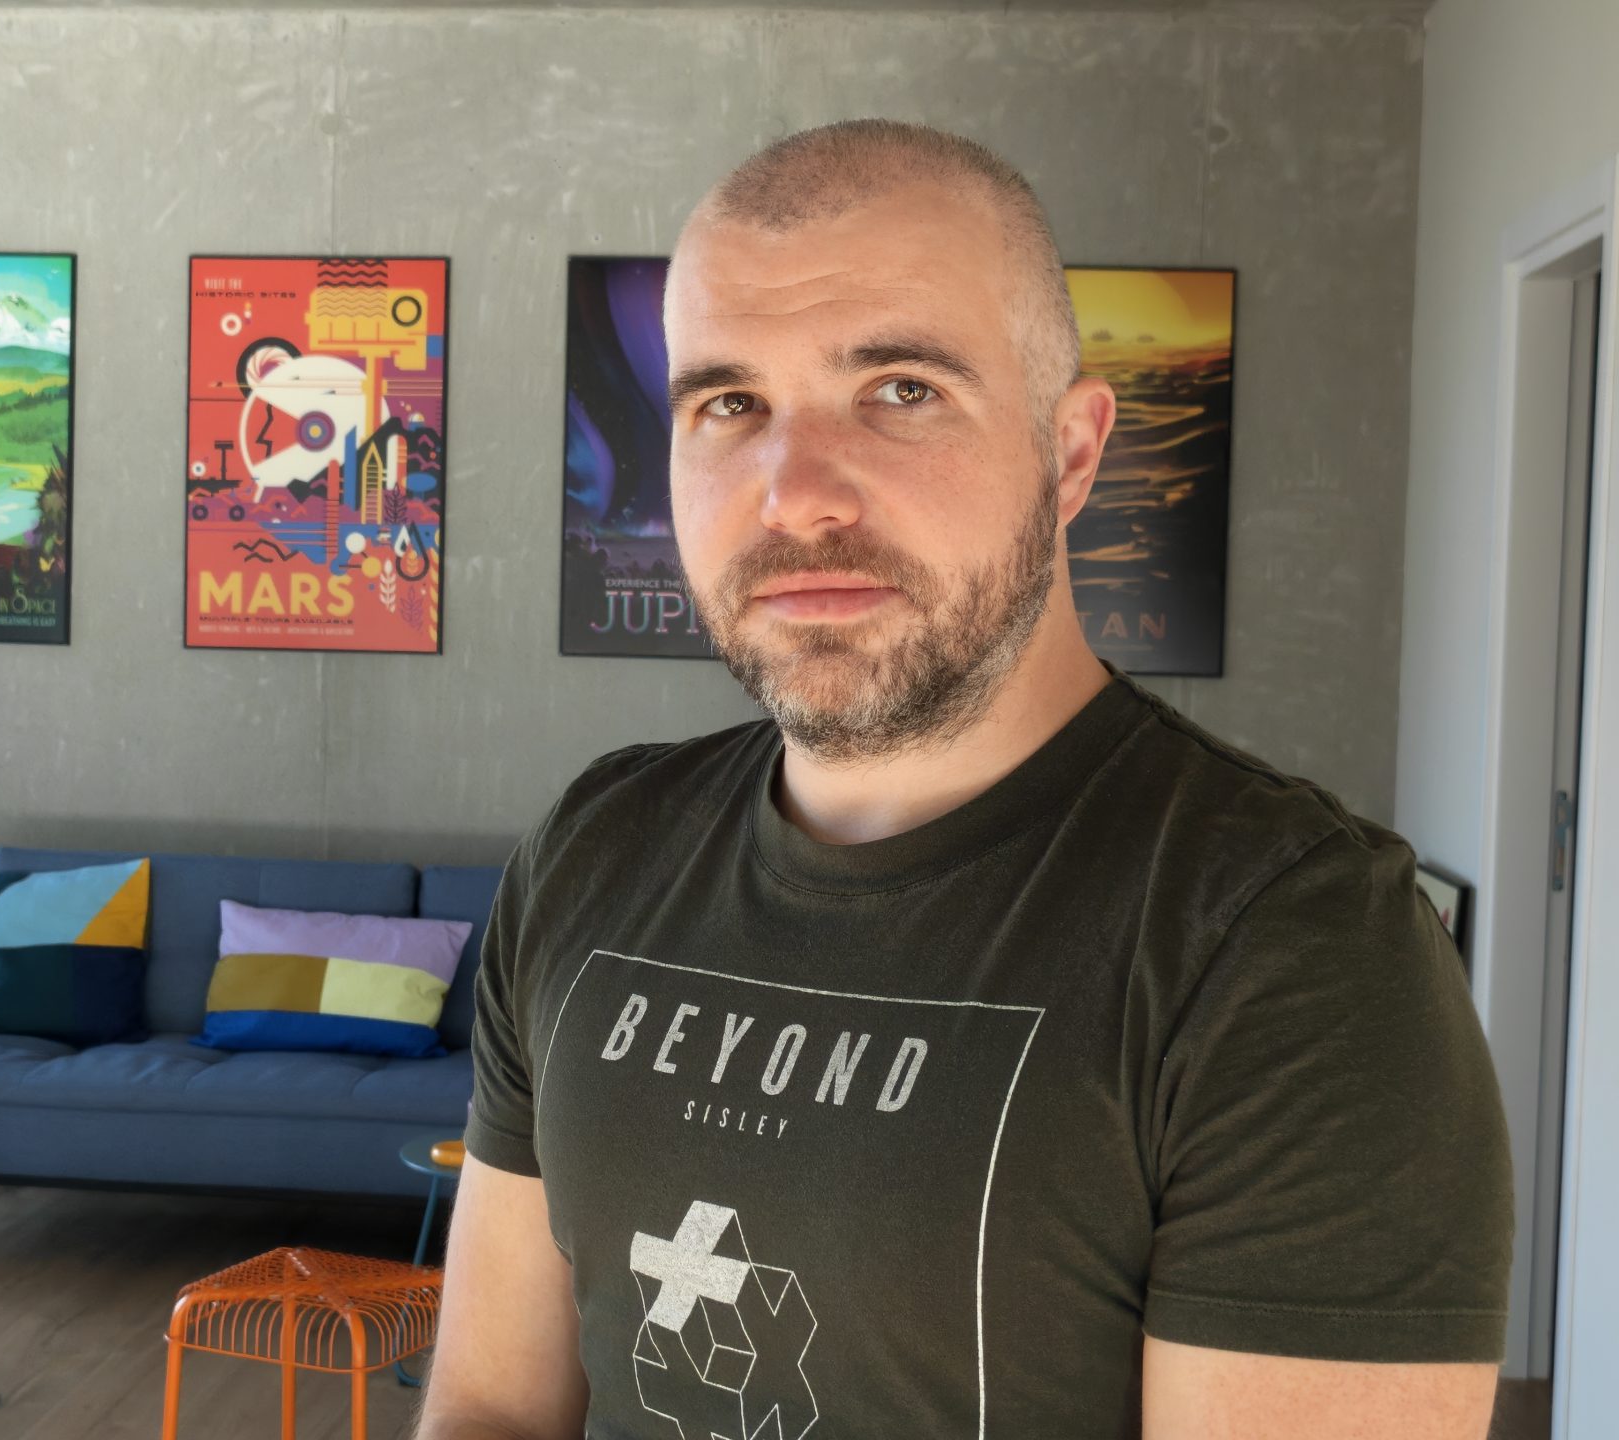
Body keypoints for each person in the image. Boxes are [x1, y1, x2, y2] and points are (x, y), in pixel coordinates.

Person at [418, 120, 1513, 1440]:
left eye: (901, 391)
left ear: (1072, 453)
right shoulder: (594, 850)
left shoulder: (1297, 948)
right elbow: (490, 1407)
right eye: (730, 405)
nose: (795, 496)